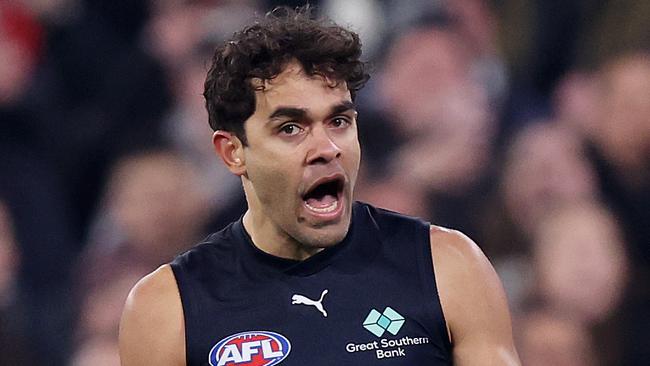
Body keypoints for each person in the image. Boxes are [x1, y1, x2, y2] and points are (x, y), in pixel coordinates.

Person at [119, 7, 519, 366]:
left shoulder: (447, 266)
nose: (326, 149)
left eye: (339, 122)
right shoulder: (168, 308)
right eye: (291, 128)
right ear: (233, 152)